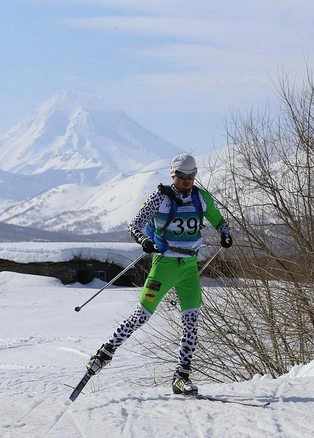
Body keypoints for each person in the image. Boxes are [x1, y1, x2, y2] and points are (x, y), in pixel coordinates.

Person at [85, 153, 233, 395]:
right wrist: (144, 240)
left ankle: (181, 376)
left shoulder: (201, 198)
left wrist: (225, 232)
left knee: (191, 323)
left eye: (191, 176)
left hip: (188, 269)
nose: (187, 181)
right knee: (141, 316)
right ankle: (104, 353)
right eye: (182, 176)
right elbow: (135, 225)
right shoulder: (159, 198)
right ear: (173, 175)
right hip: (163, 266)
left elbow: (218, 219)